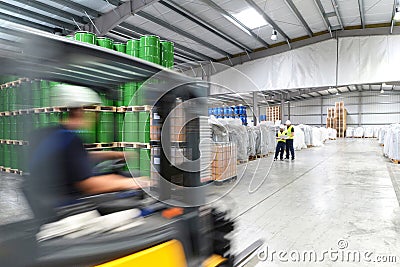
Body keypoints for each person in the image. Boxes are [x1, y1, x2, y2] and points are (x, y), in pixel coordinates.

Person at [26, 84, 149, 223]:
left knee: (118, 176)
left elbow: (73, 158)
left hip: (49, 196)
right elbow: (89, 184)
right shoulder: (71, 139)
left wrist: (115, 154)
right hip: (68, 204)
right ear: (79, 111)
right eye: (92, 111)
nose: (96, 116)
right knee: (131, 192)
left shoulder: (51, 133)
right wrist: (131, 182)